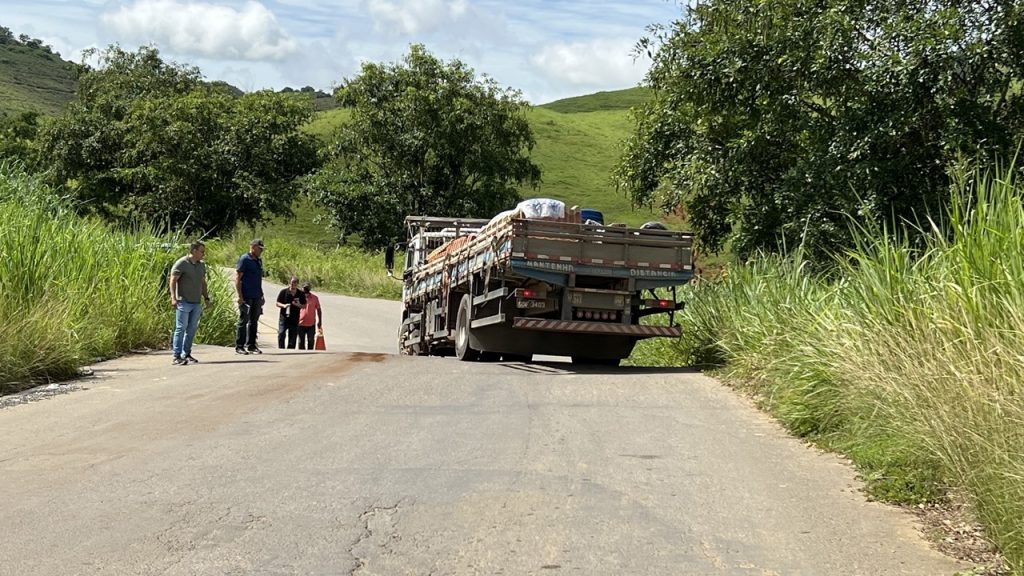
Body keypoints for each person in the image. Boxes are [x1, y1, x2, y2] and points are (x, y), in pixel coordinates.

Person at [169, 241, 211, 365]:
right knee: (180, 328)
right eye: (201, 251)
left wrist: (206, 298)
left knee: (192, 329)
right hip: (183, 301)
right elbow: (173, 280)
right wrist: (173, 297)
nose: (203, 254)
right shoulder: (182, 263)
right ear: (194, 251)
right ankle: (176, 356)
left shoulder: (201, 265)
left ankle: (186, 353)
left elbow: (203, 282)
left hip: (196, 302)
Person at [235, 239, 265, 355]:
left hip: (256, 295)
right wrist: (240, 296)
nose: (261, 251)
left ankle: (251, 345)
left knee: (254, 321)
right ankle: (240, 346)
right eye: (259, 248)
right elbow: (238, 278)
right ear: (252, 247)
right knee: (244, 320)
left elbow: (258, 279)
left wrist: (261, 295)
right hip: (246, 295)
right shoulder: (244, 259)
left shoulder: (258, 261)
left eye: (262, 249)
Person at [276, 276, 306, 349]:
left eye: (295, 283)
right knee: (281, 333)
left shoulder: (300, 293)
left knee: (293, 335)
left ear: (297, 284)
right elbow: (277, 303)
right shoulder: (283, 292)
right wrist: (284, 305)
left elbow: (304, 305)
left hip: (294, 318)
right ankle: (281, 348)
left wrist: (298, 304)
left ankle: (291, 350)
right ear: (289, 283)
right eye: (292, 283)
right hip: (284, 317)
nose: (293, 285)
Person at [297, 281, 323, 350]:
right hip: (300, 324)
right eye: (305, 288)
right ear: (302, 288)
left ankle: (310, 355)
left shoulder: (315, 298)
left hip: (311, 324)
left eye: (307, 288)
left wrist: (320, 321)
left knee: (311, 341)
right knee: (301, 342)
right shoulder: (298, 297)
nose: (306, 289)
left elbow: (319, 310)